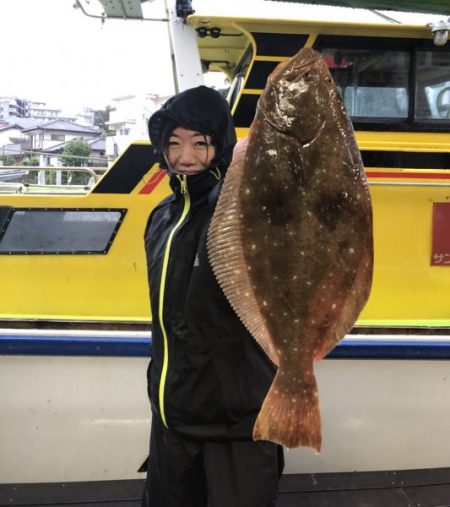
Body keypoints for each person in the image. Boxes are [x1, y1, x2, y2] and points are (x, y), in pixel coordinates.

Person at [142, 85, 284, 507]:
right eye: (173, 143)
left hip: (236, 427)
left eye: (200, 143)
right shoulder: (161, 218)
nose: (184, 157)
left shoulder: (242, 212)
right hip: (172, 417)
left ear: (221, 146)